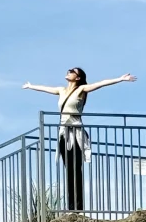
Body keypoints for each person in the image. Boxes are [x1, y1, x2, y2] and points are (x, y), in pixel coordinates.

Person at [22, 68, 136, 212]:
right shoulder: (61, 90)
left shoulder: (81, 89)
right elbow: (46, 89)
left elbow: (101, 84)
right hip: (63, 133)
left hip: (76, 133)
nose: (68, 72)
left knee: (76, 169)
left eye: (72, 71)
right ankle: (71, 207)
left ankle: (78, 206)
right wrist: (31, 86)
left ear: (78, 77)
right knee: (69, 170)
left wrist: (120, 79)